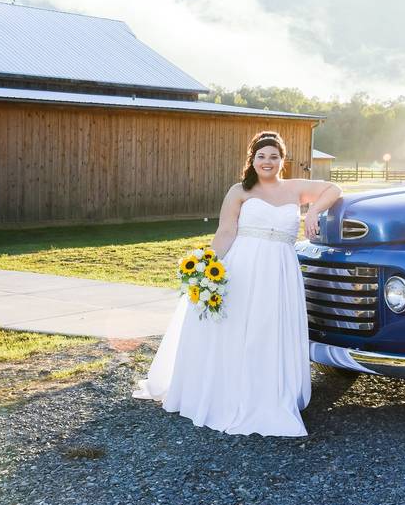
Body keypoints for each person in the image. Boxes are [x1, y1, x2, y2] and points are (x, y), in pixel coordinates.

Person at [132, 131, 342, 437]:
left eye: (274, 156)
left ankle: (268, 392)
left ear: (282, 161)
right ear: (252, 159)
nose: (267, 162)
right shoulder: (239, 191)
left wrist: (313, 210)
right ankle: (231, 392)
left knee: (269, 328)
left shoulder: (295, 188)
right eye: (261, 156)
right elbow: (226, 233)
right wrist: (206, 267)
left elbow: (333, 188)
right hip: (243, 267)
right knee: (239, 329)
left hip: (280, 272)